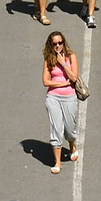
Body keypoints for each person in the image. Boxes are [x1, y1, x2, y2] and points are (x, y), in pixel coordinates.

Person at [41, 29, 80, 172]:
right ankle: (57, 162)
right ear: (50, 45)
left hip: (69, 97)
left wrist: (63, 64)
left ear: (63, 42)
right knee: (56, 128)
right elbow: (46, 82)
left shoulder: (71, 56)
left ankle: (72, 145)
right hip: (53, 97)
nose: (58, 46)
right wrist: (63, 83)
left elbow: (74, 78)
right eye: (55, 44)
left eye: (60, 43)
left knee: (70, 128)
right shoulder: (48, 59)